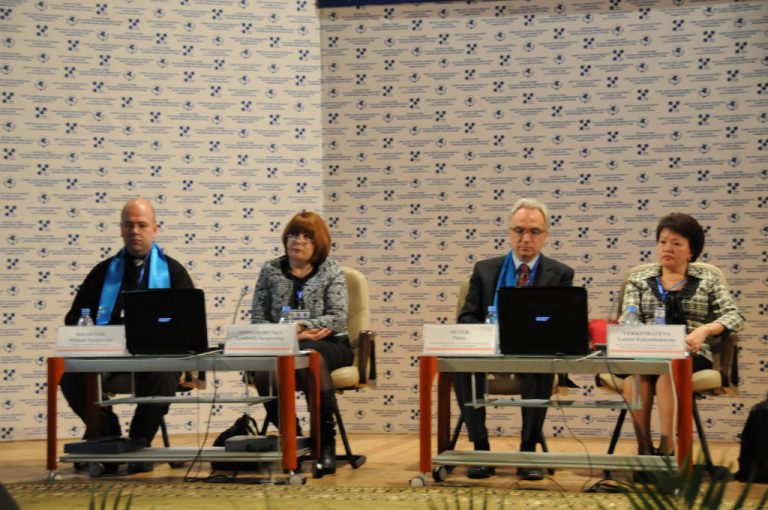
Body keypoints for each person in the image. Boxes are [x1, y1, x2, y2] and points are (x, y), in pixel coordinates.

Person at [61, 198, 194, 474]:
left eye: (142, 225)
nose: (135, 231)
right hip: (107, 359)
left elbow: (189, 324)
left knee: (164, 373)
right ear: (121, 229)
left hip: (154, 360)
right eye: (128, 225)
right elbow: (73, 317)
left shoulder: (173, 272)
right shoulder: (102, 273)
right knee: (70, 376)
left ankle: (139, 444)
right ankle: (109, 436)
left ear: (154, 229)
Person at [454, 198, 574, 480]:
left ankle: (528, 451)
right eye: (519, 230)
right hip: (490, 351)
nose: (526, 239)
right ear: (510, 232)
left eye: (534, 232)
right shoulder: (485, 270)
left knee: (541, 362)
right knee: (461, 365)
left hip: (533, 353)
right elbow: (466, 318)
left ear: (546, 236)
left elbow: (562, 326)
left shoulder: (560, 274)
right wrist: (489, 334)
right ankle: (481, 449)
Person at [620, 213, 744, 456]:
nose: (667, 248)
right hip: (647, 351)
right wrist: (648, 340)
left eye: (676, 243)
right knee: (636, 377)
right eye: (663, 242)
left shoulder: (708, 280)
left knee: (668, 370)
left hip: (690, 353)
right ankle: (645, 451)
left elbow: (735, 316)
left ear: (691, 251)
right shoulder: (638, 280)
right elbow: (628, 317)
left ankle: (668, 449)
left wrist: (704, 330)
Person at [250, 211, 352, 475]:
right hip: (282, 345)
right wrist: (290, 335)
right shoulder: (270, 270)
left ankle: (324, 444)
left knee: (309, 356)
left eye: (307, 237)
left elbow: (337, 318)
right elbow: (259, 320)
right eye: (293, 235)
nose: (298, 241)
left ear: (319, 243)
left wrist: (301, 327)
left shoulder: (331, 270)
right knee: (262, 369)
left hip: (329, 344)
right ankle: (292, 437)